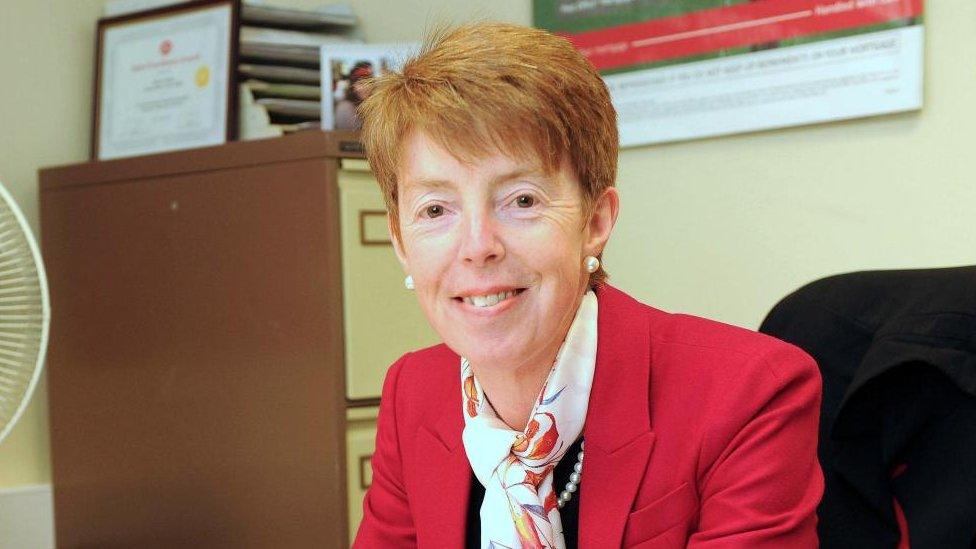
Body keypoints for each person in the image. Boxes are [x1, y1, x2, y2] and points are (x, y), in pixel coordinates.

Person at [353, 22, 823, 548]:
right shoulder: (412, 393)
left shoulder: (748, 394)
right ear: (400, 240)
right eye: (435, 209)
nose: (476, 245)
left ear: (596, 221)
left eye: (522, 200)